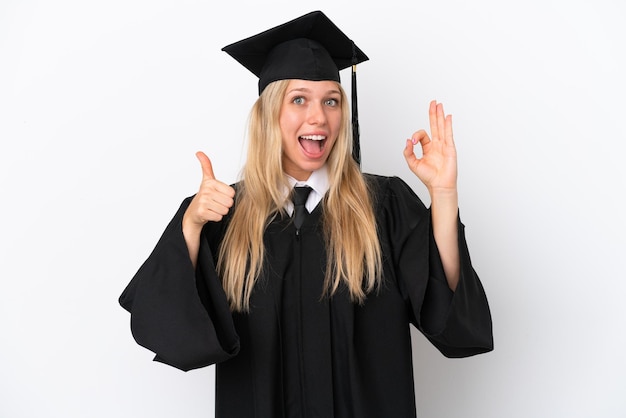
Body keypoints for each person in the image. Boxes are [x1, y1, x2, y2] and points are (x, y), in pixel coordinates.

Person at [119, 10, 493, 418]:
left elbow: (450, 315)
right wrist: (190, 228)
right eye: (299, 99)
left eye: (331, 101)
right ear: (268, 113)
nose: (319, 117)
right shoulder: (224, 215)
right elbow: (170, 334)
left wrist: (443, 195)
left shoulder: (383, 205)